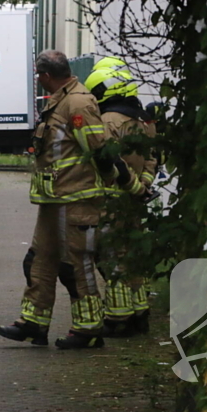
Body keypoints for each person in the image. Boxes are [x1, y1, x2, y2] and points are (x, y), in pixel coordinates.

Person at [0, 50, 142, 349]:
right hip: (54, 199)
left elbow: (100, 150)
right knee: (40, 259)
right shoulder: (61, 100)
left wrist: (122, 183)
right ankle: (33, 323)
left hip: (77, 198)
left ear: (46, 75)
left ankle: (88, 329)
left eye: (38, 75)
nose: (38, 80)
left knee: (76, 264)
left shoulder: (78, 102)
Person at [85, 64, 158, 336]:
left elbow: (108, 161)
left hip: (112, 199)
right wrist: (145, 186)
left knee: (109, 258)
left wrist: (132, 187)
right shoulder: (143, 122)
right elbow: (153, 159)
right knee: (132, 256)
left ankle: (118, 319)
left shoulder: (108, 122)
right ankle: (140, 312)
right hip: (136, 201)